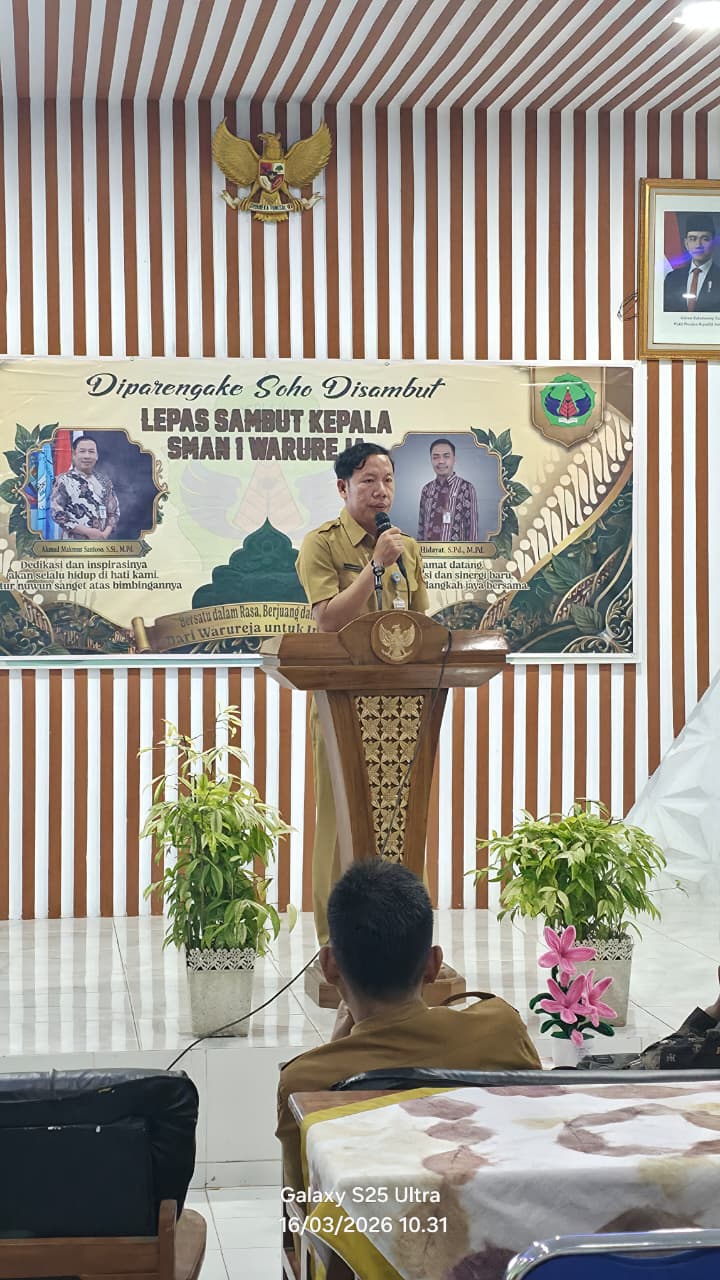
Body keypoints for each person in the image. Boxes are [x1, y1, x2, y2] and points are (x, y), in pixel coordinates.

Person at [277, 860, 541, 1201]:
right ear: (434, 965)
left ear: (329, 966)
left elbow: (304, 1205)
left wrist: (335, 1049)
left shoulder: (305, 1082)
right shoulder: (500, 1030)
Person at [295, 442, 429, 945]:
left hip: (403, 708)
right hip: (343, 706)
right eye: (368, 481)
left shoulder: (406, 547)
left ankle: (403, 938)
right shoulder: (321, 545)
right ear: (343, 487)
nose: (381, 491)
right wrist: (374, 566)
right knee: (339, 820)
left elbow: (421, 626)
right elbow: (327, 619)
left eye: (388, 480)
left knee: (403, 817)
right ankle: (334, 945)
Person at [49, 435, 120, 540]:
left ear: (97, 456)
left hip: (101, 543)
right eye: (82, 451)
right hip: (72, 544)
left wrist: (105, 534)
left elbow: (114, 512)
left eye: (91, 452)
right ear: (74, 455)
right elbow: (57, 513)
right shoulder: (63, 480)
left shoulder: (105, 481)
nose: (87, 456)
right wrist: (87, 532)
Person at [417, 438, 479, 541]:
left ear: (454, 459)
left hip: (456, 551)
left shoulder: (466, 488)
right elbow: (421, 528)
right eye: (436, 457)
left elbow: (472, 530)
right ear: (431, 460)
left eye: (446, 456)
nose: (441, 461)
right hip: (428, 550)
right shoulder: (426, 490)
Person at [663, 212, 720, 313]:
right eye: (693, 239)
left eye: (705, 239)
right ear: (686, 243)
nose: (698, 245)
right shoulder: (671, 279)